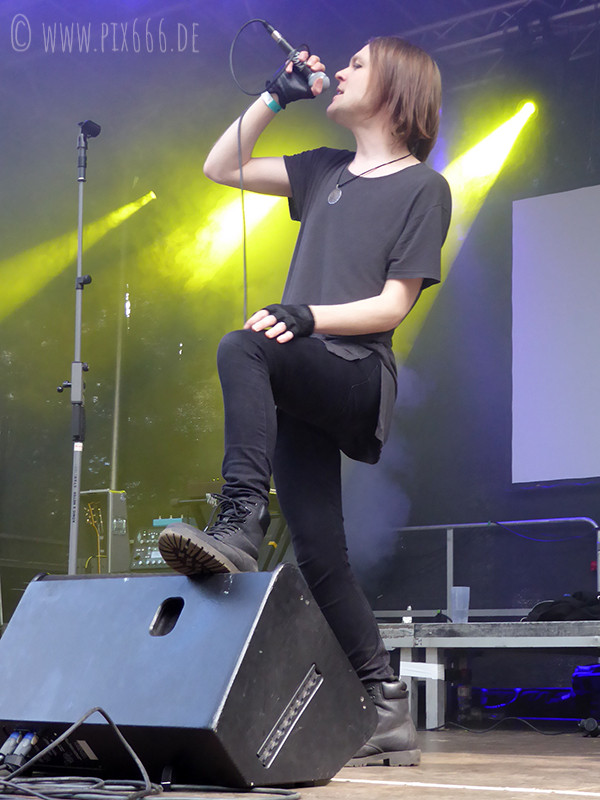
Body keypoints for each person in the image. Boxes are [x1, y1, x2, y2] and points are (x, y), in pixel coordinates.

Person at [159, 35, 451, 767]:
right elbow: (220, 166)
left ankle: (241, 517)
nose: (340, 72)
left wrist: (308, 316)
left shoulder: (425, 188)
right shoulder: (323, 170)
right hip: (303, 371)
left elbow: (392, 306)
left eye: (357, 65)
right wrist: (274, 96)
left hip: (354, 374)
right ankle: (386, 705)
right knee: (320, 553)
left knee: (243, 345)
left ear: (396, 88)